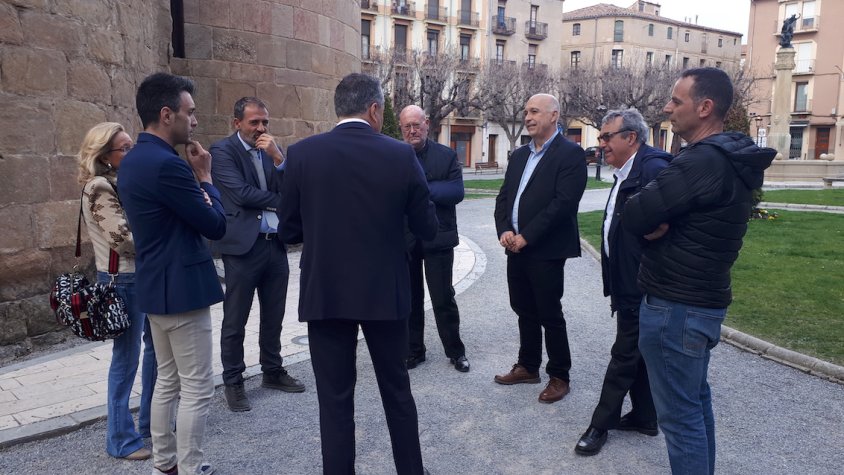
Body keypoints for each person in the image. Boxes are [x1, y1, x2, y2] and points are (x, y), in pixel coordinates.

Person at [278, 73, 438, 475]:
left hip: (326, 293)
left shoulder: (301, 155)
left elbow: (289, 229)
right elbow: (427, 228)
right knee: (397, 392)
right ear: (373, 109)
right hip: (385, 291)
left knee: (334, 400)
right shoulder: (402, 156)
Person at [622, 68, 776, 474]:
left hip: (677, 305)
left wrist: (648, 222)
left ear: (705, 108)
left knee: (679, 417)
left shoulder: (703, 161)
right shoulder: (724, 158)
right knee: (694, 403)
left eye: (676, 101)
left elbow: (635, 212)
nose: (667, 108)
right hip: (698, 303)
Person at [119, 72, 227, 475]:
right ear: (167, 114)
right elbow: (215, 225)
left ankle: (165, 464)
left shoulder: (131, 161)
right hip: (182, 288)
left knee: (167, 381)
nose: (194, 121)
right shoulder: (169, 167)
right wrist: (206, 179)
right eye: (190, 112)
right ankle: (189, 467)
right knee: (197, 386)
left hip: (154, 286)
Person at [574, 108, 670, 456]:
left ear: (631, 138)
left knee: (624, 355)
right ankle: (645, 416)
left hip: (643, 283)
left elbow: (667, 225)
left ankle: (600, 424)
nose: (600, 145)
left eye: (606, 137)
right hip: (628, 280)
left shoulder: (653, 169)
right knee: (637, 352)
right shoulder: (628, 171)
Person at [210, 97, 304, 413]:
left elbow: (293, 185)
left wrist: (278, 157)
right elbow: (241, 194)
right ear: (237, 123)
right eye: (254, 122)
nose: (261, 128)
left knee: (274, 315)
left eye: (264, 122)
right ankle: (234, 383)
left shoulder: (269, 151)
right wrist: (282, 201)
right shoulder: (222, 152)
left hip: (274, 245)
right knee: (236, 320)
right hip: (242, 248)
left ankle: (272, 371)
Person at [493, 93, 587, 403]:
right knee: (522, 308)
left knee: (549, 312)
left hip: (545, 249)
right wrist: (505, 229)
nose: (528, 117)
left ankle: (559, 375)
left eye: (534, 111)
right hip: (515, 246)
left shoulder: (570, 154)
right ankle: (528, 366)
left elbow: (563, 205)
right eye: (526, 112)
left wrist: (527, 236)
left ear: (553, 115)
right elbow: (504, 197)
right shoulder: (520, 154)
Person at [77, 122, 157, 461]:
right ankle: (120, 440)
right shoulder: (99, 187)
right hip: (123, 280)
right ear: (105, 156)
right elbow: (125, 241)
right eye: (124, 148)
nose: (131, 152)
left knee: (158, 351)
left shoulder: (123, 181)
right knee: (126, 361)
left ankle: (152, 426)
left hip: (145, 276)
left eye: (131, 145)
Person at [398, 105, 469, 373]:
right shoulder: (395, 156)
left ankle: (455, 351)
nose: (412, 131)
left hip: (438, 238)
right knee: (410, 299)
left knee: (443, 297)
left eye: (417, 125)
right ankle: (414, 351)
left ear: (427, 124)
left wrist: (419, 190)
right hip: (405, 240)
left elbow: (456, 191)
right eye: (407, 126)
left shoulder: (447, 156)